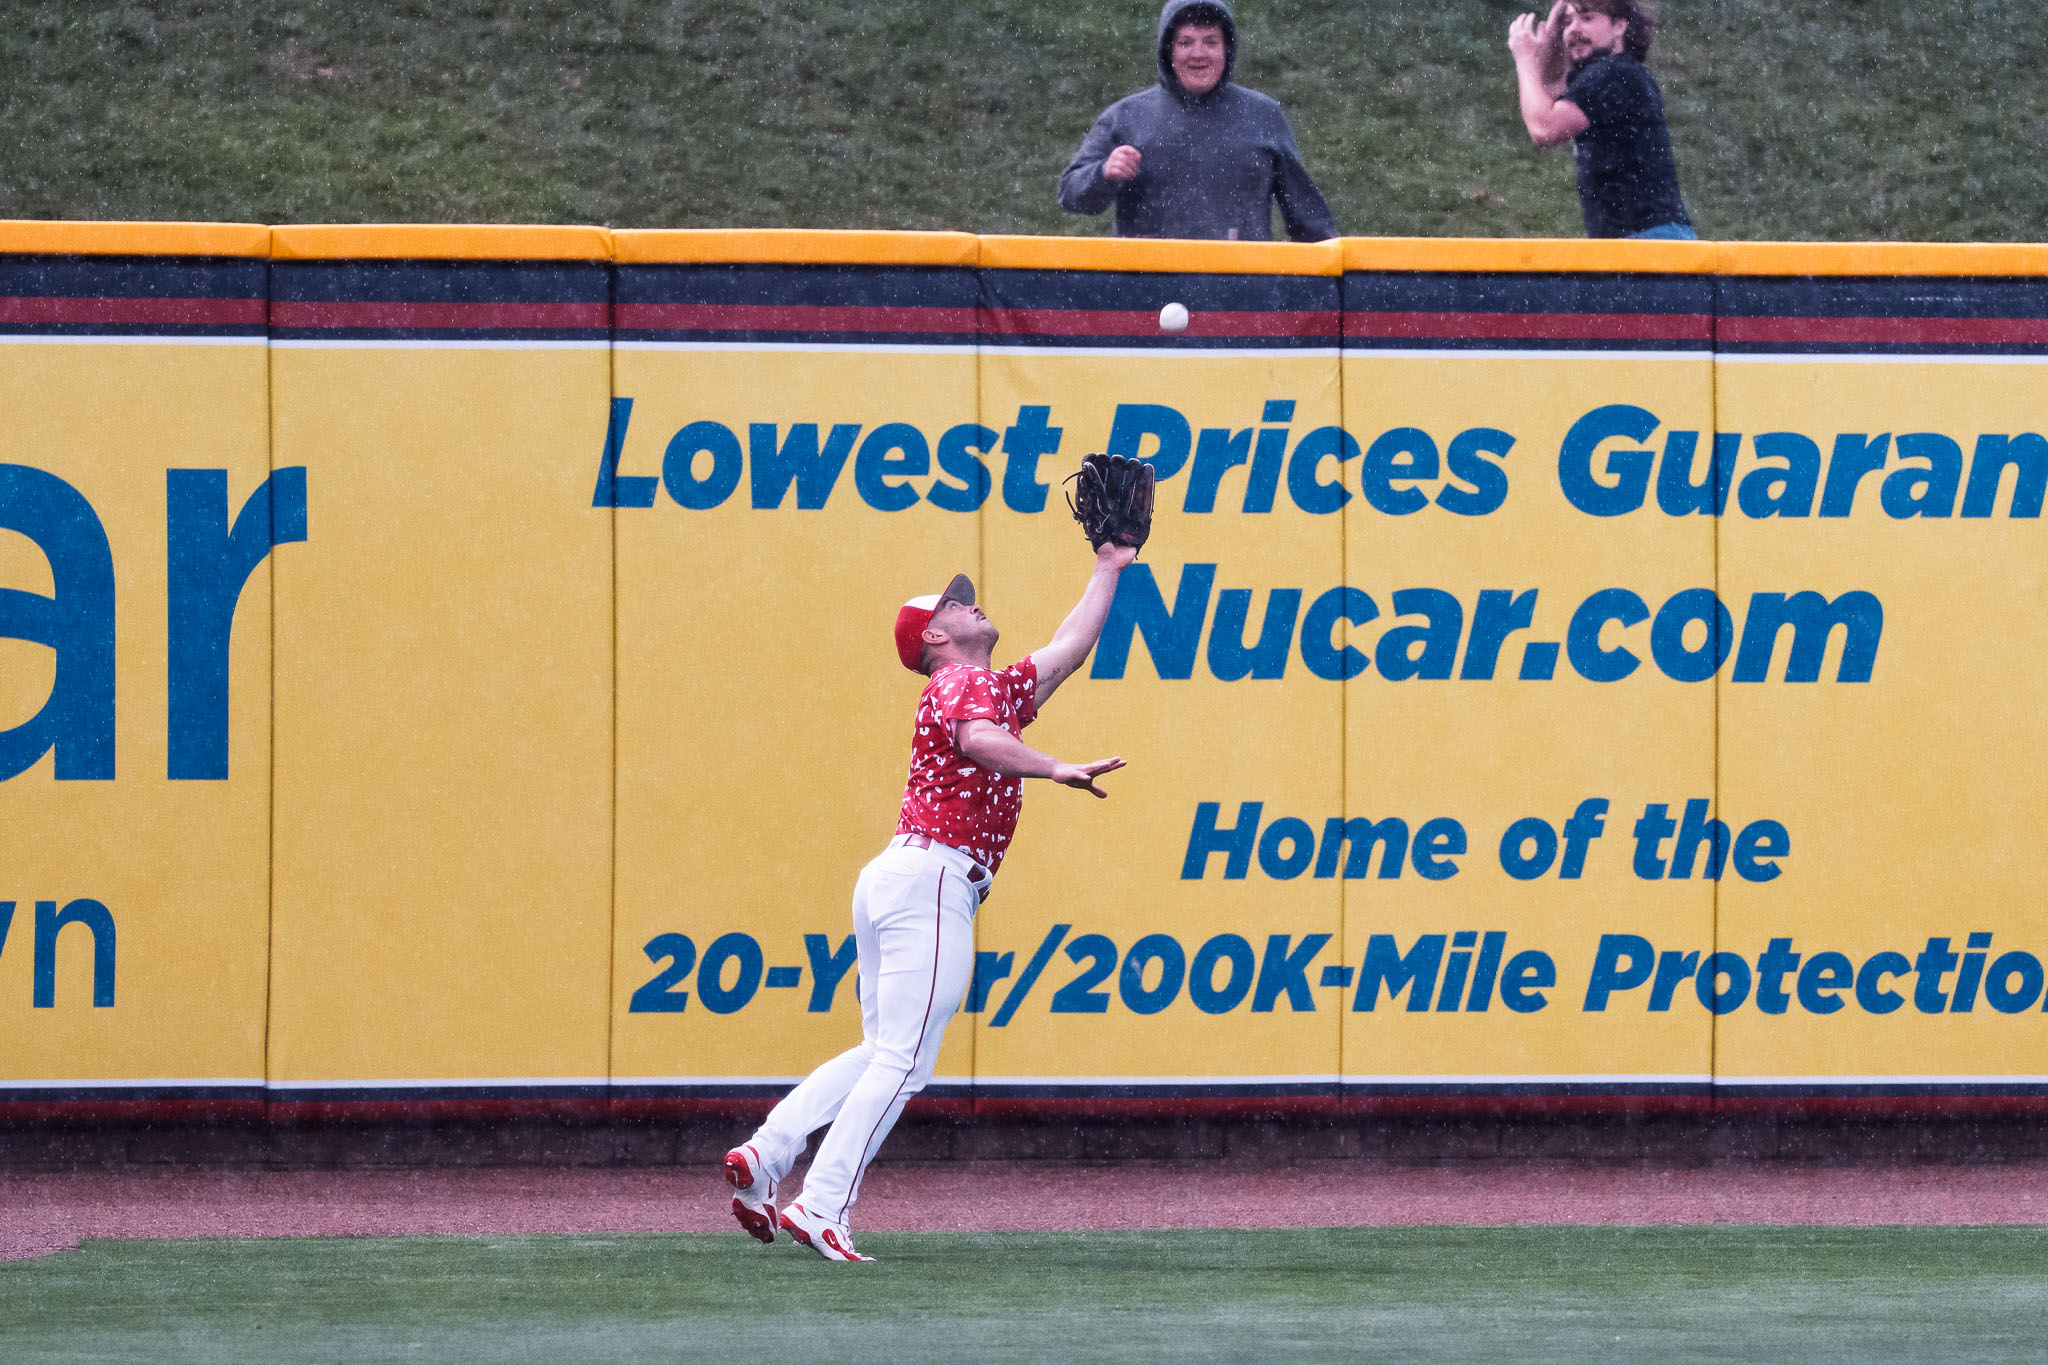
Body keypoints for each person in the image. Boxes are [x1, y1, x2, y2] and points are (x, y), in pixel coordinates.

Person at [723, 545, 1138, 1262]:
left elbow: (1068, 650)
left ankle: (766, 1153)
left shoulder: (987, 686)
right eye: (953, 603)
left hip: (900, 873)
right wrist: (1055, 768)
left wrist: (1108, 567)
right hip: (936, 877)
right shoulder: (961, 684)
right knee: (906, 1061)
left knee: (881, 1050)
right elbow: (979, 739)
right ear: (936, 636)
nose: (971, 602)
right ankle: (822, 1203)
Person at [1058, 0, 1335, 242]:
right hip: (1149, 280)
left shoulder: (1264, 115)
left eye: (1211, 42)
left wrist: (1335, 275)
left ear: (1227, 50)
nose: (1198, 54)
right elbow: (1071, 195)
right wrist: (1103, 173)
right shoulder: (1125, 116)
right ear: (1168, 50)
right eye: (1185, 42)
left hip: (1244, 280)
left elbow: (1309, 219)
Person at [1508, 0, 1695, 240]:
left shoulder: (1614, 74)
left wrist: (1525, 59)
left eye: (1587, 18)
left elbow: (1544, 128)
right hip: (1644, 238)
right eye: (1568, 22)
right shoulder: (1615, 74)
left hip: (1648, 240)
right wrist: (1555, 27)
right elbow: (1549, 87)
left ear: (1619, 26)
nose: (1574, 29)